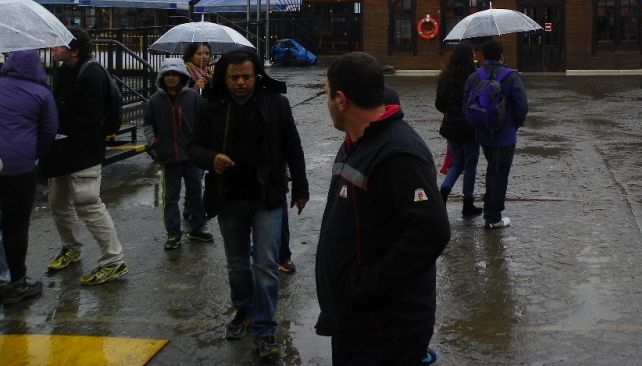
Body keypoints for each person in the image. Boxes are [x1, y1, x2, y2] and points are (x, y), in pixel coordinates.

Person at [316, 52, 451, 365]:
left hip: (384, 329)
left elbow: (431, 231)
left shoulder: (399, 153)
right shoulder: (356, 141)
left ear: (341, 100)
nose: (327, 103)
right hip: (356, 321)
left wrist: (366, 285)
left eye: (326, 94)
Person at [188, 50, 309, 361]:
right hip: (228, 197)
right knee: (238, 263)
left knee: (266, 263)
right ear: (224, 78)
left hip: (267, 197)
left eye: (246, 77)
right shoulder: (211, 105)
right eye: (234, 78)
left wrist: (301, 186)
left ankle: (265, 328)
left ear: (257, 76)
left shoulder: (276, 103)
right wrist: (210, 159)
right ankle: (243, 310)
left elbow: (293, 145)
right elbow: (194, 147)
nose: (240, 83)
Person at [41, 26, 128, 286]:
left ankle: (113, 261)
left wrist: (62, 133)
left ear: (75, 50)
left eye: (59, 44)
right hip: (62, 151)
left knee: (88, 203)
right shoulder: (65, 70)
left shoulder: (91, 74)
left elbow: (90, 120)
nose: (54, 48)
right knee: (58, 202)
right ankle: (71, 247)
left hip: (83, 152)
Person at [0, 50, 58, 304]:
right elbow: (49, 131)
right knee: (15, 226)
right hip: (20, 167)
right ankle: (17, 281)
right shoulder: (41, 93)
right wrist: (31, 153)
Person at [142, 58, 213, 250]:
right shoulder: (155, 101)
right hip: (168, 157)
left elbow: (205, 120)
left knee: (195, 193)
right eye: (167, 75)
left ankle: (197, 227)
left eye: (175, 74)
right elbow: (148, 124)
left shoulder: (193, 97)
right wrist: (153, 144)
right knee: (170, 197)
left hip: (192, 156)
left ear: (182, 76)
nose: (171, 78)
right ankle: (173, 233)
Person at [464, 39, 529, 230]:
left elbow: (466, 105)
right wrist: (514, 125)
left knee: (493, 168)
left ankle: (489, 208)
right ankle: (493, 217)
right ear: (501, 55)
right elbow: (521, 106)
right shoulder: (512, 76)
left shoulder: (474, 77)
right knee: (500, 174)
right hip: (505, 135)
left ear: (483, 56)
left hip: (483, 134)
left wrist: (478, 125)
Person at [435, 43, 483, 217]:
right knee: (470, 164)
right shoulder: (475, 77)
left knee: (457, 162)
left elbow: (439, 104)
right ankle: (468, 203)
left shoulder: (445, 77)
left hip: (451, 127)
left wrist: (451, 113)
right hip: (470, 127)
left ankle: (443, 192)